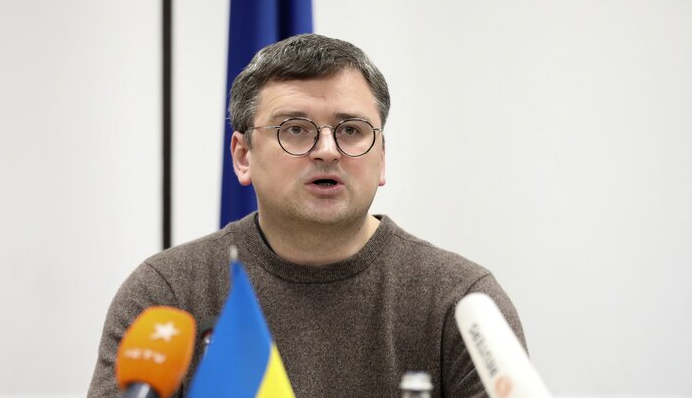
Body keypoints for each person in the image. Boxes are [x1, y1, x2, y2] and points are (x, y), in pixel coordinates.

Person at [88, 34, 525, 397]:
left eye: (351, 130)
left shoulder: (460, 303)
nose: (328, 150)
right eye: (295, 129)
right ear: (242, 156)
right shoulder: (168, 295)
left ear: (382, 158)